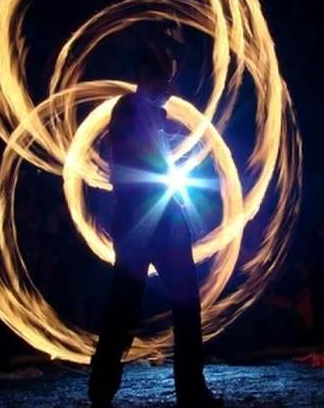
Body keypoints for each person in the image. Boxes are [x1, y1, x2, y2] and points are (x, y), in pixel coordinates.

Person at [88, 44, 222, 408]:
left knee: (184, 306)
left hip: (157, 221)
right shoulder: (130, 109)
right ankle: (102, 389)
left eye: (168, 78)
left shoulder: (145, 111)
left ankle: (189, 390)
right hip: (141, 222)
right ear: (143, 77)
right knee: (124, 310)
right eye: (162, 77)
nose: (168, 86)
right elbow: (144, 154)